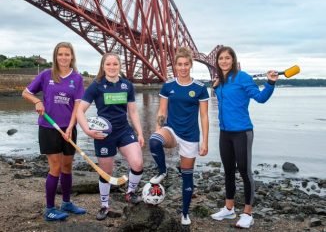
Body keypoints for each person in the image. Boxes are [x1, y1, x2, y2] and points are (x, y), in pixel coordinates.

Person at [210, 46, 279, 228]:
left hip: (242, 132)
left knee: (244, 171)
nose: (224, 61)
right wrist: (215, 87)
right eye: (220, 58)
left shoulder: (243, 77)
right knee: (228, 171)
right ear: (217, 62)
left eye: (227, 58)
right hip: (225, 133)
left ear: (233, 60)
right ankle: (229, 208)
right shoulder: (221, 82)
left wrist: (270, 83)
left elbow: (261, 98)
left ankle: (248, 213)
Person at [22, 42, 86, 221]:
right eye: (60, 54)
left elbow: (77, 106)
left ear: (72, 57)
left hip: (68, 128)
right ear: (55, 56)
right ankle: (49, 209)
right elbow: (25, 93)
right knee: (56, 167)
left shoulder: (78, 79)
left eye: (67, 54)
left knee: (67, 166)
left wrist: (72, 126)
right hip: (48, 128)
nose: (64, 57)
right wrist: (37, 101)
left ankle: (66, 202)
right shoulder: (45, 75)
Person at [76, 53, 144, 221]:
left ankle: (130, 192)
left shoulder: (127, 85)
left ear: (119, 66)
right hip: (103, 134)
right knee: (106, 172)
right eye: (109, 64)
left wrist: (140, 132)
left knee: (137, 163)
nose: (112, 67)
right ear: (103, 66)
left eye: (115, 64)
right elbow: (79, 111)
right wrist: (87, 130)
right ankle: (104, 205)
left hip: (124, 130)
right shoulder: (96, 86)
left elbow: (133, 111)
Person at [149, 47, 209, 225]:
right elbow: (162, 111)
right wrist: (157, 130)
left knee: (187, 175)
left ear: (191, 65)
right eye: (179, 64)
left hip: (190, 136)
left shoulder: (200, 88)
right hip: (172, 130)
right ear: (175, 66)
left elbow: (204, 116)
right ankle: (162, 171)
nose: (183, 67)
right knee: (154, 141)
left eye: (186, 64)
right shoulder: (168, 86)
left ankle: (184, 213)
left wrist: (205, 141)